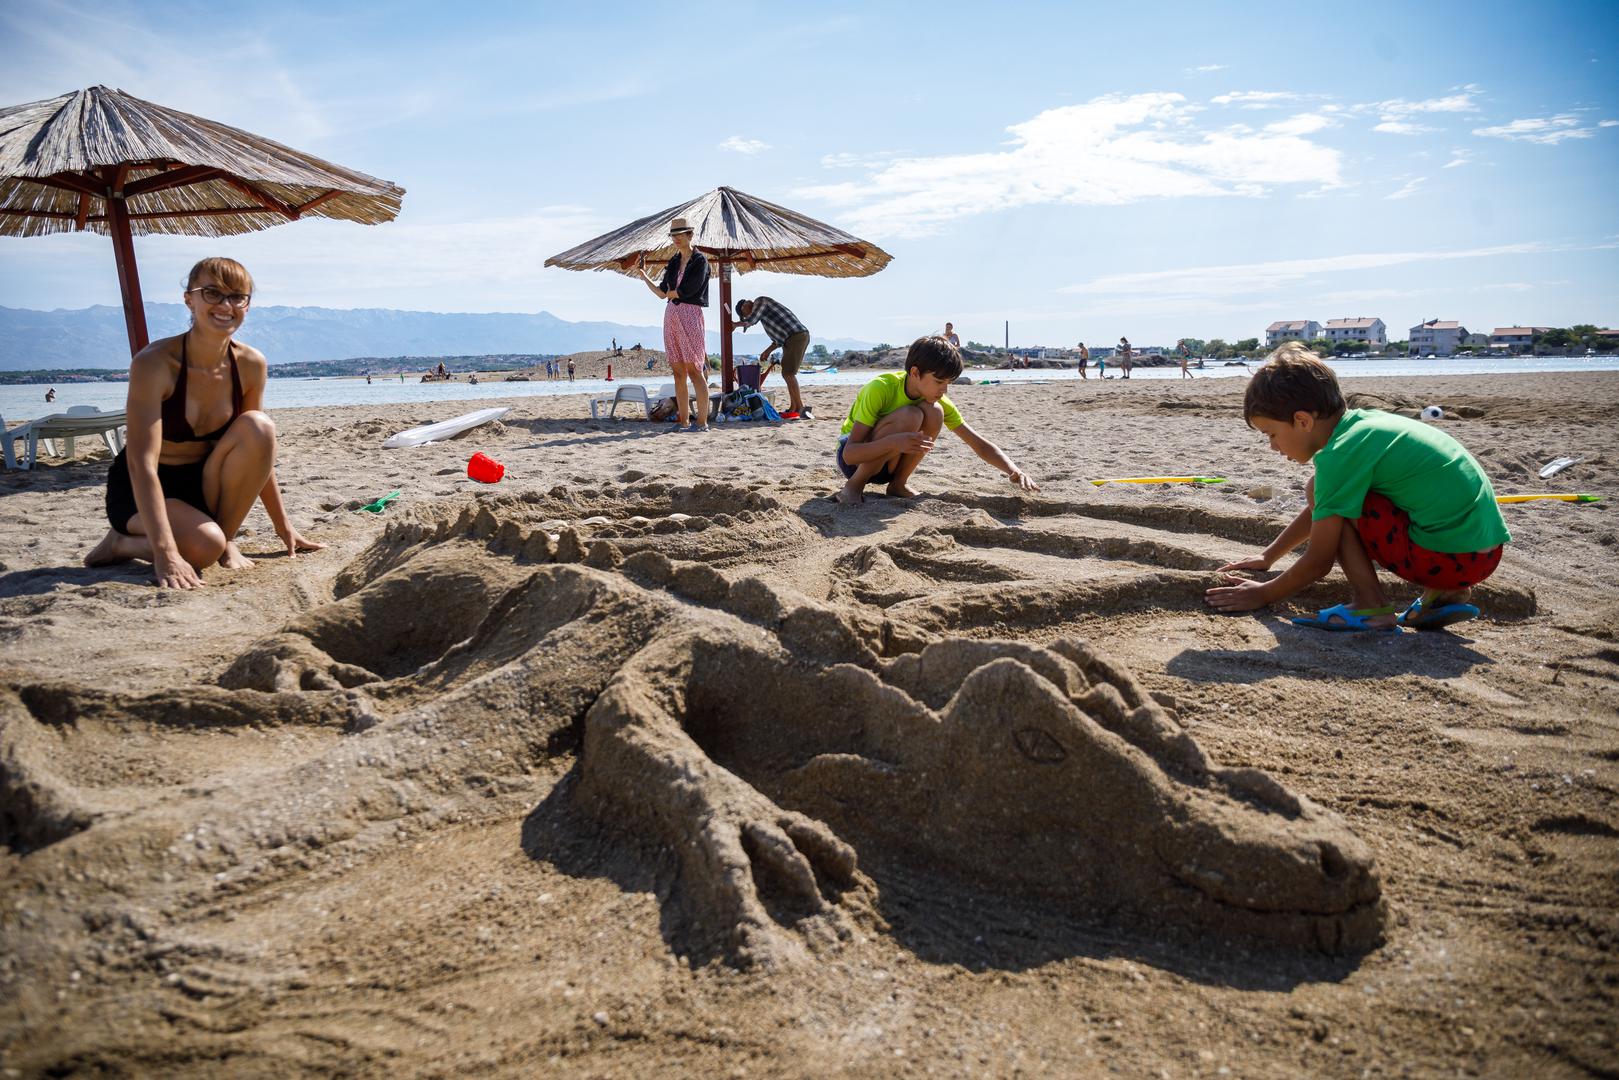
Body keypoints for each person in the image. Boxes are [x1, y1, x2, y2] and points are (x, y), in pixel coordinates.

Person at [1205, 343, 1510, 631]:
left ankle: (1370, 605)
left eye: (1270, 434)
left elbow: (1318, 562)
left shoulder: (1341, 454)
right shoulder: (1366, 426)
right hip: (1483, 555)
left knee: (1321, 492)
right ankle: (1446, 596)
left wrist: (1263, 594)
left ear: (1302, 421)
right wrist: (1268, 557)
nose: (1272, 446)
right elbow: (1325, 504)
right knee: (1326, 493)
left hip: (1446, 560)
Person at [84, 257, 322, 589]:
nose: (226, 305)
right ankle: (121, 543)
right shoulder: (155, 363)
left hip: (203, 484)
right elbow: (141, 464)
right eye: (212, 293)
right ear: (189, 299)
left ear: (247, 306)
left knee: (260, 425)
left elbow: (259, 454)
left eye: (237, 296)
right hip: (143, 488)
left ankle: (225, 538)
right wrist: (166, 554)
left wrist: (285, 528)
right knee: (206, 547)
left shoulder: (251, 364)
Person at [835, 336, 1039, 506]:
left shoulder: (936, 399)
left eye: (948, 383)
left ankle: (898, 484)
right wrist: (895, 442)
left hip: (887, 466)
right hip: (855, 462)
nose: (944, 390)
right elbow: (850, 454)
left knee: (935, 412)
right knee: (911, 415)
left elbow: (977, 443)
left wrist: (1014, 470)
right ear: (915, 373)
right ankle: (853, 487)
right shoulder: (880, 388)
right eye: (939, 382)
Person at [638, 216, 710, 430]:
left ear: (690, 235)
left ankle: (702, 422)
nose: (676, 239)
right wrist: (643, 274)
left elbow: (687, 291)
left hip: (690, 315)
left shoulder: (700, 261)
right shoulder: (674, 261)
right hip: (671, 315)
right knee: (678, 371)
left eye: (680, 235)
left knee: (694, 369)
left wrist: (673, 294)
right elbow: (663, 293)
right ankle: (684, 421)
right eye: (673, 236)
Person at [735, 295, 812, 419]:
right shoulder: (765, 317)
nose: (746, 317)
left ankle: (800, 408)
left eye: (745, 315)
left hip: (796, 336)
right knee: (787, 373)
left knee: (788, 374)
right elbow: (777, 340)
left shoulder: (760, 301)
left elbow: (751, 320)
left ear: (745, 306)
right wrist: (767, 351)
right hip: (791, 339)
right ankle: (794, 407)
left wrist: (735, 324)